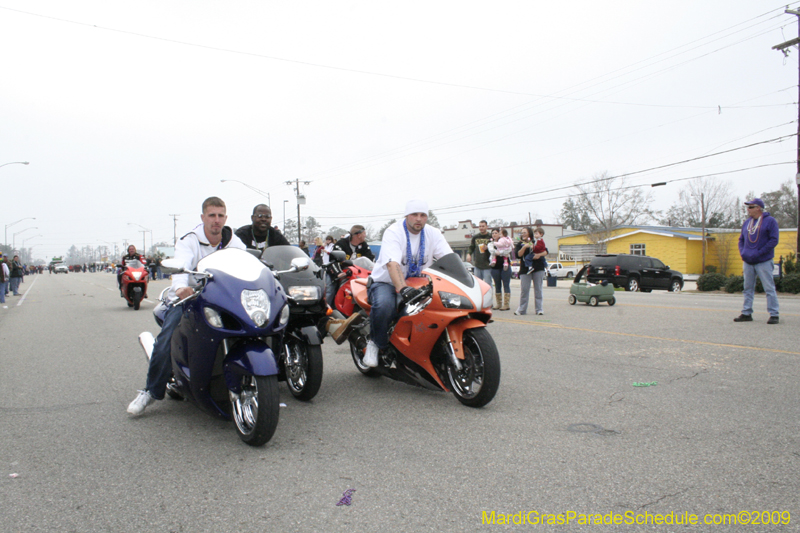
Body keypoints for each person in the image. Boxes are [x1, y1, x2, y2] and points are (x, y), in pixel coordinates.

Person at [127, 196, 247, 415]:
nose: (216, 221)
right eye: (212, 215)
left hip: (224, 298)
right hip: (191, 298)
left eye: (220, 216)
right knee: (168, 336)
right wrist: (182, 287)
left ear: (226, 217)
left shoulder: (233, 241)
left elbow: (248, 262)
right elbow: (181, 267)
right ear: (203, 218)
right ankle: (151, 391)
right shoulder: (189, 240)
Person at [363, 200, 453, 367]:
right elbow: (392, 264)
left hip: (420, 283)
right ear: (407, 216)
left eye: (423, 215)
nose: (418, 219)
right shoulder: (394, 231)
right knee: (384, 306)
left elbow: (449, 259)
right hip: (387, 282)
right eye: (414, 215)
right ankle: (375, 343)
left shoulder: (433, 233)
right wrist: (402, 287)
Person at [734, 198, 780, 324]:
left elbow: (773, 240)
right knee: (747, 288)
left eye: (751, 207)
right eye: (748, 207)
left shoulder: (770, 221)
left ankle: (774, 313)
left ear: (758, 208)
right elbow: (741, 240)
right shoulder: (747, 223)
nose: (748, 209)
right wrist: (743, 252)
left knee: (769, 288)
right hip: (748, 261)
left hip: (763, 260)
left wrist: (759, 253)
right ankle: (746, 312)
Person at [327, 225, 375, 307]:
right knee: (330, 289)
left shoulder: (364, 245)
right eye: (364, 233)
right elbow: (334, 260)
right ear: (358, 235)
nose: (365, 235)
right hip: (339, 272)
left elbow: (369, 260)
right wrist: (338, 273)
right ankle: (327, 309)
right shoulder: (341, 244)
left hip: (357, 274)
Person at [514, 227, 547, 315]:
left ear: (529, 233)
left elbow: (546, 251)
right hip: (525, 269)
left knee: (538, 289)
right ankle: (522, 310)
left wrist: (538, 255)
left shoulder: (535, 241)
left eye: (525, 232)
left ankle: (539, 309)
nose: (523, 234)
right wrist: (524, 247)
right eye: (522, 233)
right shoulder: (520, 243)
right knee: (524, 290)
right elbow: (518, 255)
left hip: (538, 268)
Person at [489, 228, 512, 311]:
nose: (494, 234)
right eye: (493, 233)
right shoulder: (491, 243)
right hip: (495, 266)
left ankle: (506, 304)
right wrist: (497, 252)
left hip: (504, 265)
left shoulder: (506, 241)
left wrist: (500, 253)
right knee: (497, 284)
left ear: (500, 234)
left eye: (496, 233)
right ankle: (499, 303)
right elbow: (491, 251)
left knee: (506, 284)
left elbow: (508, 250)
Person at [466, 220, 493, 285]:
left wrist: (488, 247)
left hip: (488, 265)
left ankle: (489, 295)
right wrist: (468, 254)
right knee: (478, 284)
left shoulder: (490, 237)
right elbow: (471, 247)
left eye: (483, 226)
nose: (481, 228)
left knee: (487, 284)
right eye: (480, 226)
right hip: (477, 265)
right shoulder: (475, 237)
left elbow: (496, 247)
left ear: (487, 227)